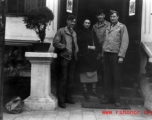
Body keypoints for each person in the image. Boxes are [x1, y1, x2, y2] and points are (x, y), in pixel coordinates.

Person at [101, 10, 129, 107]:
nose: (112, 18)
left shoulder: (122, 27)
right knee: (107, 77)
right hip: (106, 54)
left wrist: (121, 56)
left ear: (118, 17)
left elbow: (125, 42)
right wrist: (102, 53)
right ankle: (107, 97)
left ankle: (117, 99)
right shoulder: (108, 27)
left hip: (115, 55)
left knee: (116, 78)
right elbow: (105, 41)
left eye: (114, 16)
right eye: (111, 17)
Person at [53, 14, 78, 108]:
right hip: (64, 58)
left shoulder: (74, 32)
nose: (73, 23)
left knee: (70, 80)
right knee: (63, 80)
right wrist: (64, 47)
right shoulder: (61, 31)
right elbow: (55, 43)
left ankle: (68, 98)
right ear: (67, 21)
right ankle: (61, 101)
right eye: (71, 21)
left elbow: (75, 45)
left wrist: (76, 52)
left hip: (72, 58)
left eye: (74, 21)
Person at [77, 18, 99, 99]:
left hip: (92, 56)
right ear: (83, 24)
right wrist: (89, 47)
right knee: (84, 72)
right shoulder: (79, 32)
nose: (87, 24)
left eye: (88, 23)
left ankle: (94, 90)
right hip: (83, 55)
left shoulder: (93, 33)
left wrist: (95, 48)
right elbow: (79, 43)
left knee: (93, 72)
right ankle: (85, 90)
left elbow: (97, 43)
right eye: (85, 23)